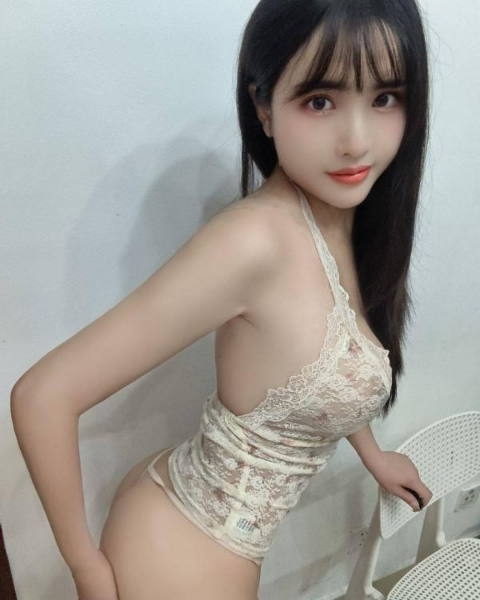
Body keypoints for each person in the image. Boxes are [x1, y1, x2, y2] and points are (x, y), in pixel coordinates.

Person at [10, 1, 435, 599]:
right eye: (320, 101)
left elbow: (326, 361)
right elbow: (43, 395)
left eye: (385, 97)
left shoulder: (342, 217)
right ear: (263, 107)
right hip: (184, 556)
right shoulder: (251, 243)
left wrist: (374, 454)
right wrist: (89, 572)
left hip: (201, 527)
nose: (357, 141)